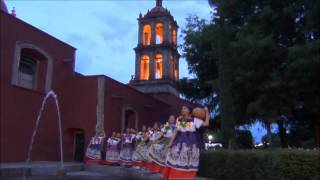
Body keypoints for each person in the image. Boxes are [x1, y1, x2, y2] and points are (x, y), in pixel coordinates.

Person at [162, 106, 209, 180]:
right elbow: (176, 131)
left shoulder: (194, 120)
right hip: (180, 142)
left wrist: (206, 112)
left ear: (189, 111)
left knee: (188, 163)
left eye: (184, 108)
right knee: (176, 161)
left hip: (191, 144)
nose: (182, 109)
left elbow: (206, 124)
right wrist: (170, 143)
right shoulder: (180, 119)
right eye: (182, 108)